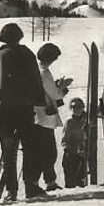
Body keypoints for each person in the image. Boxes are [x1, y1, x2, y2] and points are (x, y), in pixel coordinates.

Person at [0, 21, 48, 202]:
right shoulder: (27, 55)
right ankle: (31, 184)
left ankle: (11, 190)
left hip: (3, 111)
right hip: (24, 108)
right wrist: (40, 101)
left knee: (8, 151)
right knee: (30, 147)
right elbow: (35, 81)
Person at [32, 42, 73, 191]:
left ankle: (42, 181)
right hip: (44, 115)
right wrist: (62, 88)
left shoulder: (37, 70)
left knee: (42, 150)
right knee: (48, 151)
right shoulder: (44, 73)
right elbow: (54, 94)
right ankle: (48, 181)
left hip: (38, 115)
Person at [61, 96, 90, 188]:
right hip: (71, 155)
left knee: (80, 181)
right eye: (74, 107)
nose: (76, 109)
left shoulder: (86, 121)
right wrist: (73, 150)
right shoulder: (69, 122)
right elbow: (65, 140)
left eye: (78, 107)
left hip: (82, 155)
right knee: (71, 182)